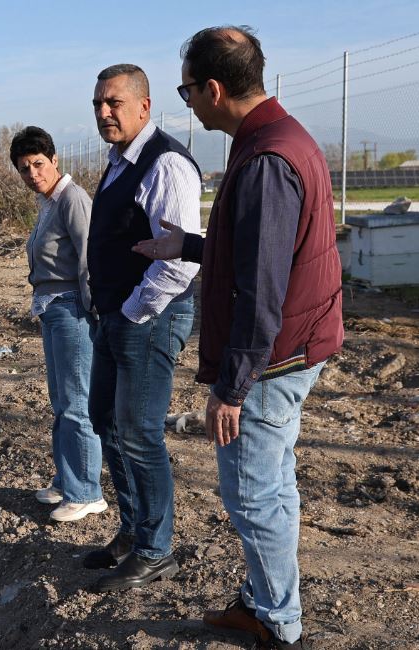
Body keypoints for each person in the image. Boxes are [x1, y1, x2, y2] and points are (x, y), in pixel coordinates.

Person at [133, 26, 344, 650]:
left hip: (272, 360)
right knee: (273, 486)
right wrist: (191, 245)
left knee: (252, 495)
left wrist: (232, 387)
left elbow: (261, 290)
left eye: (187, 92)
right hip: (295, 343)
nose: (189, 104)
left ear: (214, 89)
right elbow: (262, 252)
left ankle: (278, 623)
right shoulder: (280, 138)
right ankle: (266, 600)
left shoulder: (265, 161)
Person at [80, 64, 201, 591]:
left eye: (114, 103)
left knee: (139, 432)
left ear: (144, 106)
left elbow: (179, 261)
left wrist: (131, 311)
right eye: (98, 104)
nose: (104, 112)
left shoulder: (165, 163)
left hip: (149, 316)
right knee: (105, 418)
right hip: (115, 315)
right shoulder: (118, 162)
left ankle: (155, 550)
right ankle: (133, 533)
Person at [10, 126, 106, 523]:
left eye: (38, 164)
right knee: (61, 402)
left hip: (72, 309)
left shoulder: (72, 198)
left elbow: (90, 259)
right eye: (24, 168)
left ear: (54, 160)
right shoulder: (47, 202)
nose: (33, 174)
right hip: (51, 308)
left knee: (76, 403)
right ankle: (67, 481)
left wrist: (93, 311)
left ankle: (87, 493)